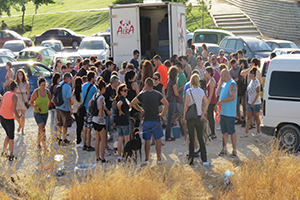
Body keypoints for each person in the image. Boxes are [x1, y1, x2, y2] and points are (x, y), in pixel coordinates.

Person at [131, 78, 169, 163]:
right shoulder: (157, 94)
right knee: (158, 140)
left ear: (147, 85)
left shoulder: (143, 94)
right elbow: (167, 104)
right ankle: (159, 159)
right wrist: (162, 115)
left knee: (147, 141)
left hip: (146, 120)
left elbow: (133, 103)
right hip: (156, 119)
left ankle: (147, 159)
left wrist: (141, 110)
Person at [183, 74, 209, 165]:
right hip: (199, 117)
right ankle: (204, 159)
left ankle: (191, 160)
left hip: (191, 117)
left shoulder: (188, 91)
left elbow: (186, 105)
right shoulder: (201, 91)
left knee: (191, 138)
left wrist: (184, 116)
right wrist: (202, 114)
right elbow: (206, 103)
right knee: (200, 138)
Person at [216, 69, 238, 157]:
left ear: (225, 75)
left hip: (229, 113)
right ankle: (224, 149)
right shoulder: (224, 84)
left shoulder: (232, 84)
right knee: (224, 131)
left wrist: (222, 101)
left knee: (232, 131)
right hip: (223, 112)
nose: (220, 78)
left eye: (221, 76)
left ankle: (234, 150)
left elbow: (233, 97)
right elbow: (219, 93)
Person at [90, 78, 110, 163]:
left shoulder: (95, 95)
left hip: (94, 120)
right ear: (103, 88)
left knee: (97, 139)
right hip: (100, 121)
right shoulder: (101, 97)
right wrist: (101, 116)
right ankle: (103, 158)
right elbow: (101, 108)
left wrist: (107, 111)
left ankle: (97, 157)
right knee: (103, 140)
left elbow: (89, 103)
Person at [0, 81, 21, 161]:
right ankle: (11, 155)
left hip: (2, 117)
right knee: (11, 136)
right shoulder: (14, 96)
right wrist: (18, 116)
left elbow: (1, 103)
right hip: (8, 118)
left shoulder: (6, 93)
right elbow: (14, 109)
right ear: (15, 88)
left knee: (8, 135)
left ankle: (4, 151)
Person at [30, 77, 51, 151]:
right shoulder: (36, 92)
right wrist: (36, 107)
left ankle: (38, 142)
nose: (43, 86)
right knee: (43, 129)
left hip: (45, 112)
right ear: (39, 85)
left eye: (44, 85)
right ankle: (45, 145)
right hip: (37, 112)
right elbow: (31, 102)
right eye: (42, 85)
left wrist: (47, 107)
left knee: (40, 129)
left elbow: (49, 100)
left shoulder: (47, 91)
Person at [241, 68, 262, 138]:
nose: (249, 76)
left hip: (256, 103)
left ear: (253, 75)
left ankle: (258, 131)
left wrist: (253, 102)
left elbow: (258, 93)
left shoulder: (257, 82)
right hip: (250, 102)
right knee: (249, 118)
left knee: (256, 117)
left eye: (250, 74)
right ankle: (246, 132)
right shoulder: (251, 81)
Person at [165, 66, 183, 142]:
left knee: (179, 115)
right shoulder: (173, 82)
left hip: (170, 101)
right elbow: (176, 93)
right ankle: (168, 136)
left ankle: (183, 131)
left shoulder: (169, 81)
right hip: (173, 102)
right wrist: (179, 96)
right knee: (171, 118)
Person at [82, 71, 98, 151]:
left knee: (85, 127)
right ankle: (88, 145)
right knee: (89, 128)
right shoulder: (93, 88)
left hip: (84, 108)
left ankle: (84, 144)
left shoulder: (83, 85)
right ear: (92, 78)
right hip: (90, 109)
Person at [56, 73, 73, 146]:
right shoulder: (67, 86)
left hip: (58, 106)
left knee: (59, 123)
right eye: (70, 78)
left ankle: (59, 138)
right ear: (67, 78)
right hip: (64, 107)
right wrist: (70, 109)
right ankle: (64, 139)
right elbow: (69, 98)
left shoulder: (59, 84)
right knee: (65, 124)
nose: (71, 80)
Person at [114, 84, 130, 162]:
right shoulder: (122, 99)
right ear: (120, 92)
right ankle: (128, 155)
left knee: (120, 139)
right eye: (124, 90)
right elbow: (119, 104)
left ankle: (119, 156)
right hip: (124, 121)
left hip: (119, 122)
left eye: (126, 90)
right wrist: (120, 110)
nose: (126, 92)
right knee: (127, 140)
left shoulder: (119, 98)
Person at [104, 75, 119, 142]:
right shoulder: (107, 89)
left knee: (111, 123)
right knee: (106, 124)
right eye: (117, 82)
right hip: (106, 109)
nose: (118, 83)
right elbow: (103, 99)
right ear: (114, 82)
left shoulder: (114, 90)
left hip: (111, 109)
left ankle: (111, 136)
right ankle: (105, 137)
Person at [14, 69, 29, 135]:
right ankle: (20, 124)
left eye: (21, 75)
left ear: (23, 75)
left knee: (22, 115)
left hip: (23, 99)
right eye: (19, 75)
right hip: (17, 99)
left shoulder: (26, 83)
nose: (20, 76)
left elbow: (28, 92)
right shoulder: (15, 83)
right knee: (17, 115)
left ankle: (22, 129)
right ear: (17, 75)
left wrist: (27, 100)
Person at [205, 67, 217, 140]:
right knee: (209, 118)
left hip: (211, 101)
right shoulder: (210, 80)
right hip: (210, 100)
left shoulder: (212, 81)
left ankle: (213, 133)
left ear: (209, 73)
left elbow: (211, 94)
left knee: (211, 118)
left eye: (206, 72)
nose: (204, 73)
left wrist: (207, 103)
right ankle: (212, 132)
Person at [72, 77, 84, 147]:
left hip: (75, 110)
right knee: (80, 125)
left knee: (78, 125)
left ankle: (78, 139)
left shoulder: (74, 92)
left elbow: (72, 101)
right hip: (80, 110)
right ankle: (79, 140)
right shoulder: (81, 92)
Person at [49, 73, 60, 139]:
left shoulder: (51, 86)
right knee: (56, 121)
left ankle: (52, 134)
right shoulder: (58, 86)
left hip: (51, 105)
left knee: (52, 120)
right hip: (56, 105)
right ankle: (55, 135)